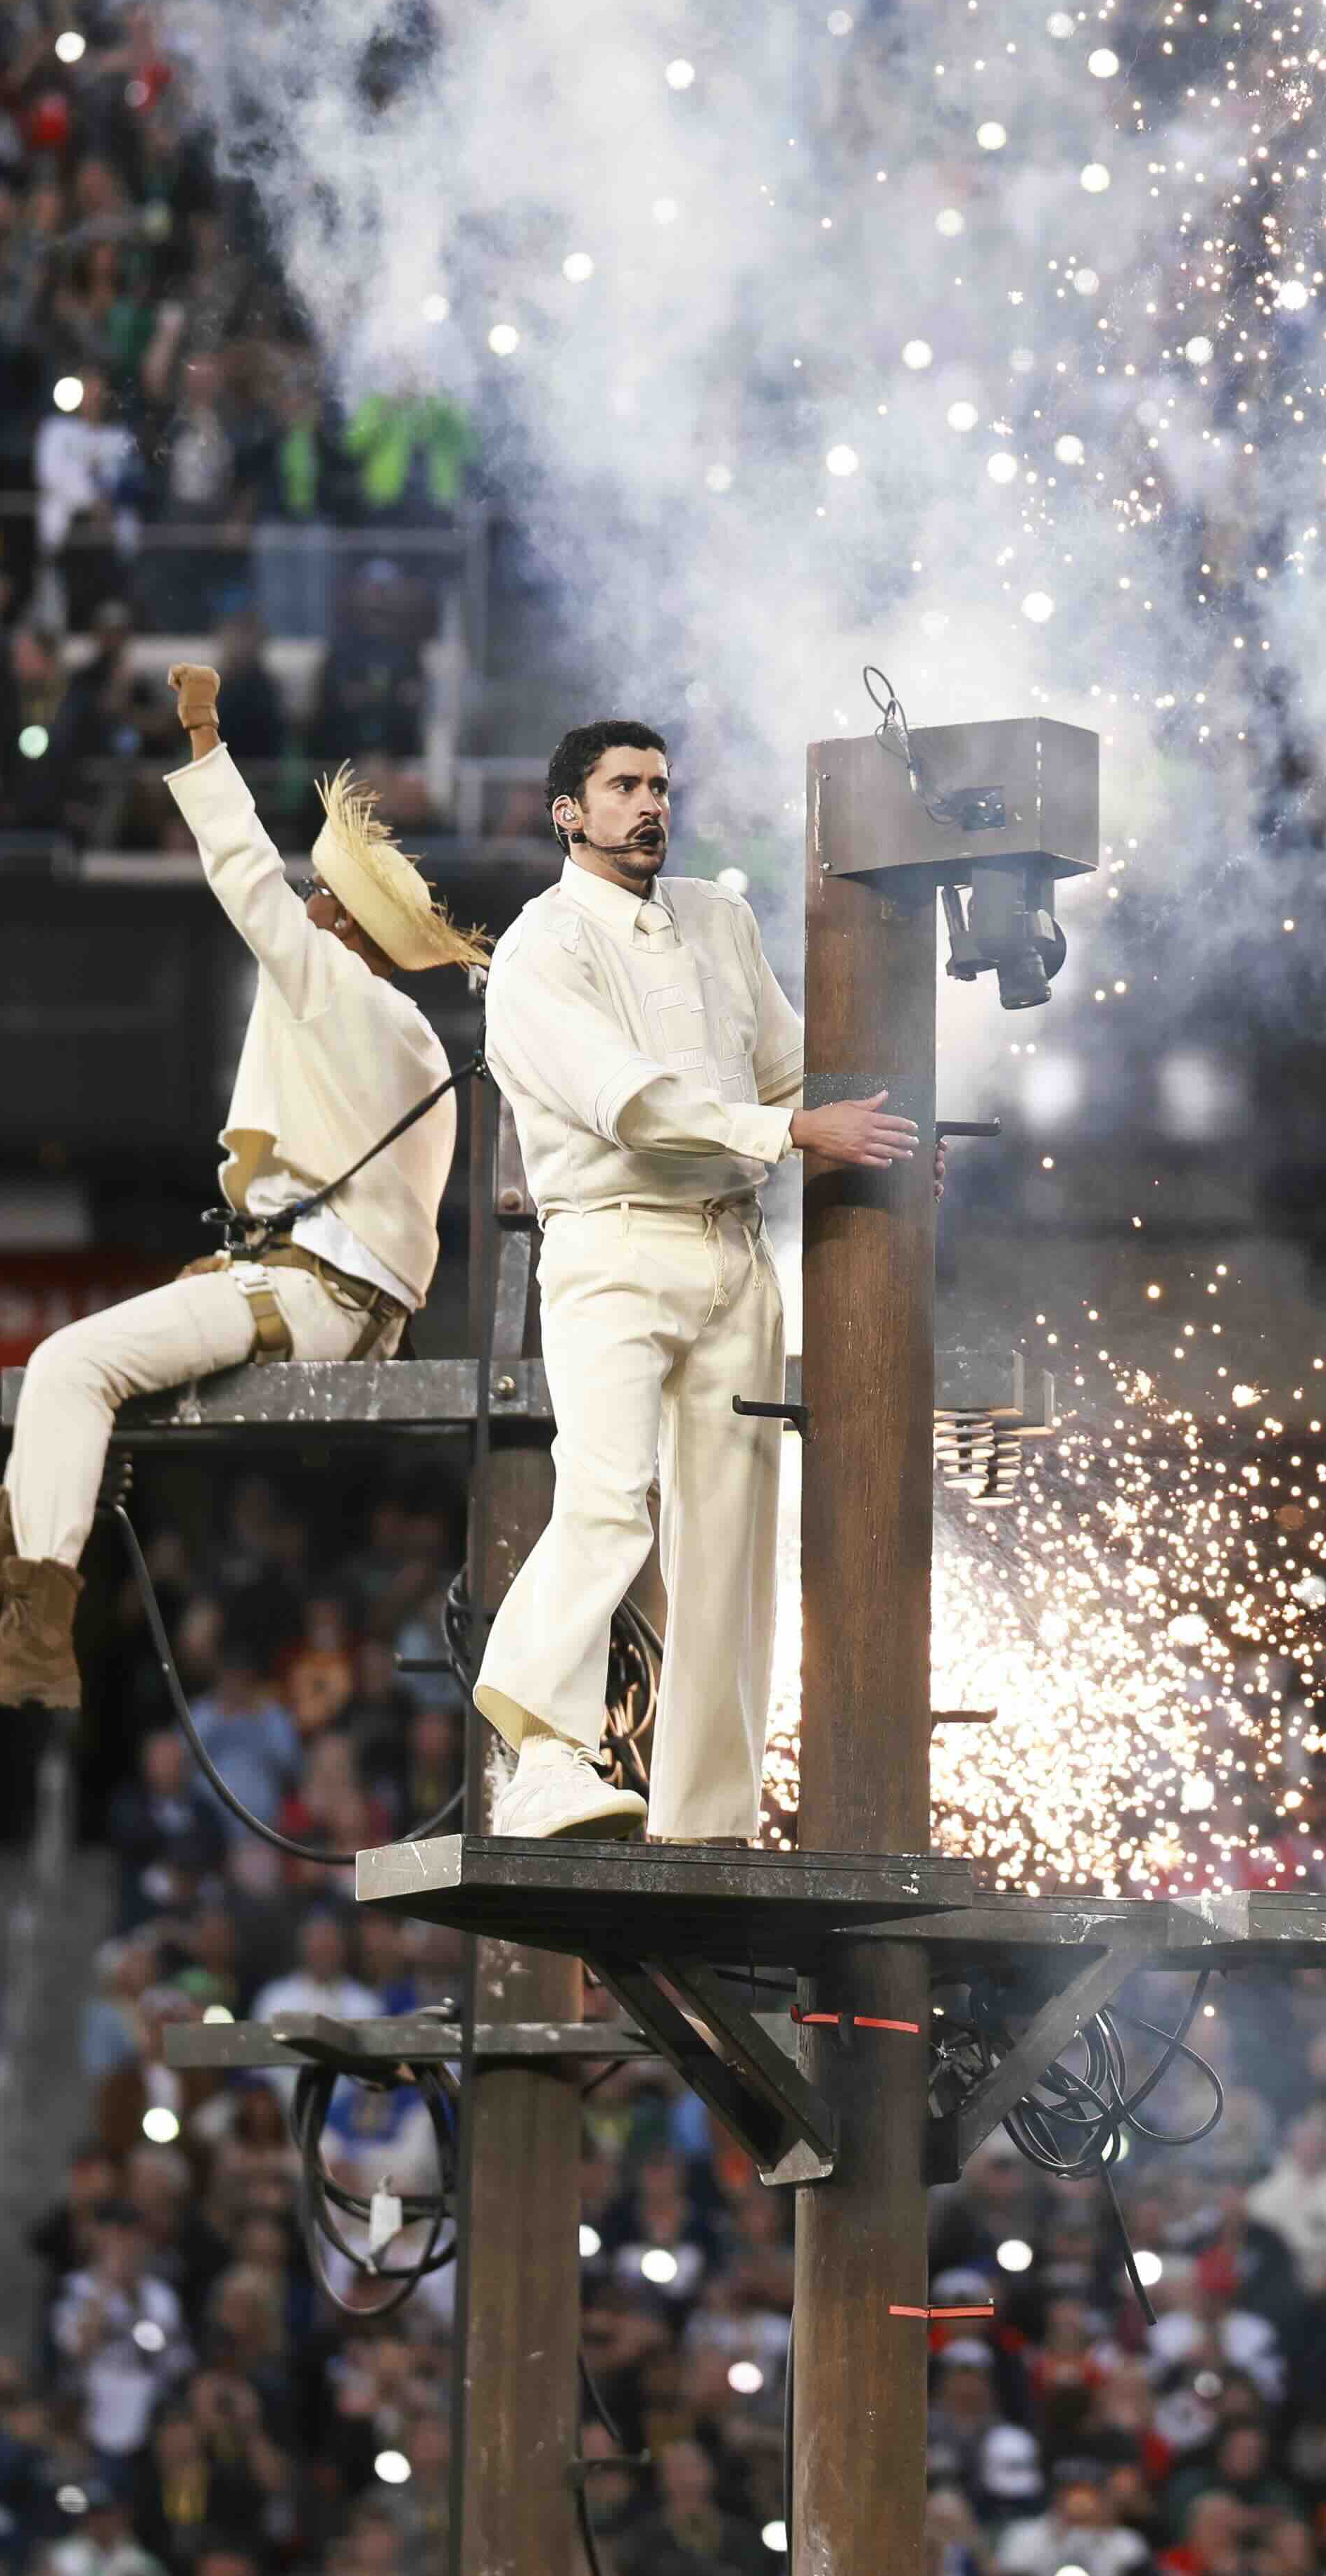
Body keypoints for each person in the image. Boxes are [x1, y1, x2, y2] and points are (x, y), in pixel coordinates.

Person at [0, 664, 483, 1705]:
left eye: (318, 898)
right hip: (331, 1298)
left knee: (65, 1367)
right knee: (89, 1378)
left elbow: (245, 879)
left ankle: (35, 1638)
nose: (302, 906)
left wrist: (206, 741)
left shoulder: (337, 988)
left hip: (307, 1294)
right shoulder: (410, 1035)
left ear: (342, 924)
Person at [468, 719, 924, 1840]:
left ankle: (705, 1817)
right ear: (566, 810)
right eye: (623, 786)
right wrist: (800, 1129)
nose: (650, 804)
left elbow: (787, 1059)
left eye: (662, 785)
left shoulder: (720, 917)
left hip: (732, 1247)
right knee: (609, 1496)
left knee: (731, 1540)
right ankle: (538, 1758)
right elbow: (630, 1102)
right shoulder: (541, 949)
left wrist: (884, 1121)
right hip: (614, 1247)